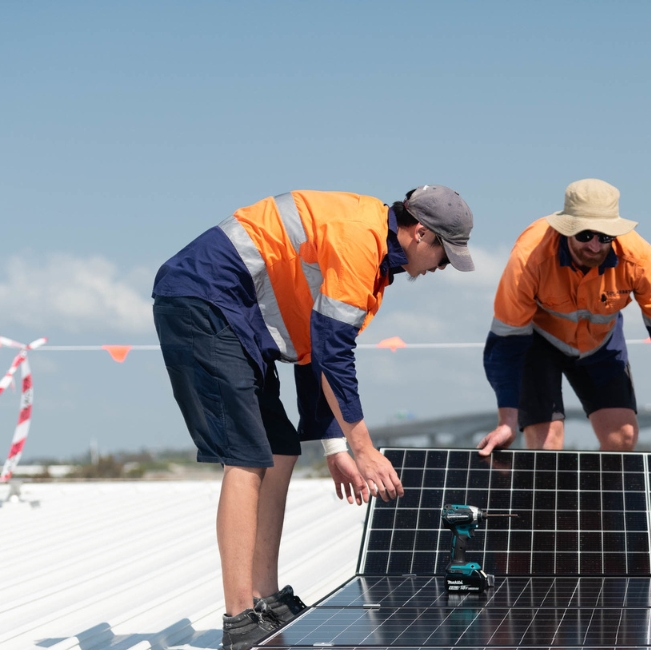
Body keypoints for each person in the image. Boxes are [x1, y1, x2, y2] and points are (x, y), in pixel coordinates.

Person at [151, 186, 475, 650]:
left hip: (233, 312)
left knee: (280, 449)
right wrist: (363, 449)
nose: (443, 266)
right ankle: (240, 618)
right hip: (203, 300)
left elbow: (316, 353)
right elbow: (334, 355)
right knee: (246, 456)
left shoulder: (375, 263)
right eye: (445, 254)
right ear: (421, 233)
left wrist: (334, 448)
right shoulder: (360, 240)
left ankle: (266, 597)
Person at [477, 179, 651, 457]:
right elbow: (506, 343)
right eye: (585, 235)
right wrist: (507, 422)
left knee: (622, 437)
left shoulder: (642, 261)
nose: (595, 246)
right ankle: (546, 487)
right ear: (566, 228)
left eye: (605, 236)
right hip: (539, 343)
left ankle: (591, 489)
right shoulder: (528, 258)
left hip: (600, 345)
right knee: (546, 446)